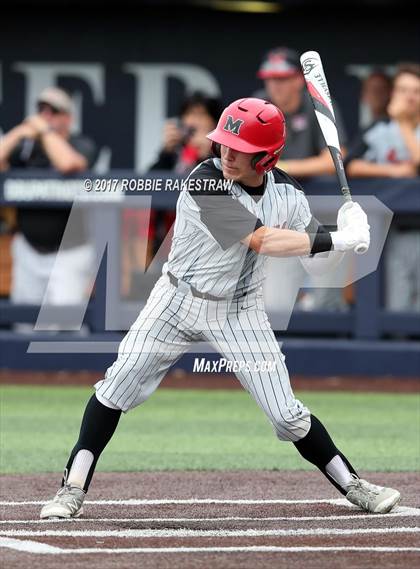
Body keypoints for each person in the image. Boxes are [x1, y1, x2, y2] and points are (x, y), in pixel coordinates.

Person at [40, 98, 400, 520]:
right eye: (224, 143)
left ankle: (355, 485)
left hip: (240, 311)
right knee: (116, 386)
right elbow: (262, 240)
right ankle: (72, 489)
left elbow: (318, 260)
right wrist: (337, 238)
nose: (227, 153)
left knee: (287, 417)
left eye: (239, 148)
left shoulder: (287, 192)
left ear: (266, 157)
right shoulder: (204, 180)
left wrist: (352, 237)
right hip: (174, 301)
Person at [0, 87, 97, 309]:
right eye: (42, 110)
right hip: (29, 249)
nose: (46, 116)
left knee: (63, 328)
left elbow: (68, 164)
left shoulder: (81, 143)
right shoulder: (27, 147)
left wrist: (44, 131)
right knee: (24, 325)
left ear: (68, 118)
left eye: (54, 111)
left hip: (70, 253)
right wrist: (18, 133)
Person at [346, 63, 420, 311]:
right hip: (391, 233)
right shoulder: (379, 129)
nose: (409, 97)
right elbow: (350, 166)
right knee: (395, 309)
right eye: (402, 90)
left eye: (415, 91)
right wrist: (395, 171)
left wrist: (405, 125)